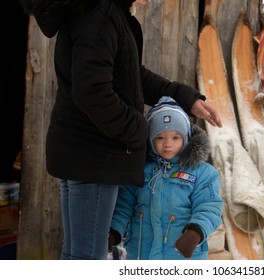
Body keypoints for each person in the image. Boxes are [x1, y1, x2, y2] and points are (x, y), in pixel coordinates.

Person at [20, 0, 222, 260]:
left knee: (77, 256)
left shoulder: (101, 13)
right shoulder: (100, 14)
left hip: (83, 153)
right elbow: (93, 92)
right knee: (88, 259)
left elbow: (130, 75)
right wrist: (141, 129)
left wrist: (186, 98)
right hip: (94, 156)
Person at [109, 97, 223, 260]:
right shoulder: (139, 170)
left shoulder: (202, 173)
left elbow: (209, 206)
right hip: (142, 255)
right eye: (160, 137)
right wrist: (114, 232)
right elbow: (124, 206)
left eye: (175, 137)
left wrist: (195, 232)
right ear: (150, 139)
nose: (167, 144)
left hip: (182, 257)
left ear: (186, 137)